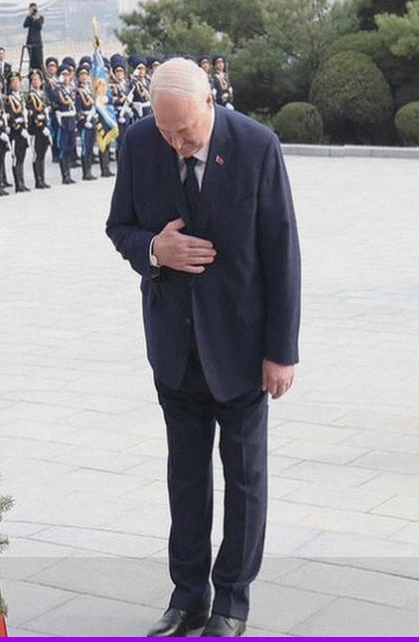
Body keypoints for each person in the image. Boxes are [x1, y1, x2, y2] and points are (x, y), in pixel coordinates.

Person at [106, 58, 301, 638]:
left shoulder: (257, 147)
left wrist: (281, 351)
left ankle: (231, 603)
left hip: (241, 348)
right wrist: (153, 250)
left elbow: (282, 252)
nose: (175, 143)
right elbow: (119, 226)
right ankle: (188, 597)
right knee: (185, 479)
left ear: (210, 103)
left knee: (244, 480)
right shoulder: (139, 143)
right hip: (175, 348)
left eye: (185, 132)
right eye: (166, 131)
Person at [26, 70, 52, 190]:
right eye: (33, 79)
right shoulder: (30, 96)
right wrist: (41, 127)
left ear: (41, 81)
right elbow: (32, 114)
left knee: (42, 154)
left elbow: (47, 108)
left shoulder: (43, 94)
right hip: (36, 129)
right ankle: (38, 180)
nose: (36, 81)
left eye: (37, 79)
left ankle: (43, 178)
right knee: (36, 154)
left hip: (45, 127)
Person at [6, 73, 31, 193]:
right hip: (16, 133)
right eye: (13, 82)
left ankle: (22, 181)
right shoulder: (8, 99)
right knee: (16, 158)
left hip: (23, 131)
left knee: (22, 157)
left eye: (17, 82)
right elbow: (11, 118)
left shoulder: (21, 97)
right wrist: (20, 129)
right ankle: (18, 184)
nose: (16, 84)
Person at [23, 2, 45, 74]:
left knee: (39, 61)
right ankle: (32, 73)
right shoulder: (29, 18)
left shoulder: (40, 17)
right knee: (32, 61)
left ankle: (41, 73)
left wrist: (36, 18)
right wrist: (30, 16)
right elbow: (25, 25)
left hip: (38, 43)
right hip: (30, 42)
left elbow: (39, 27)